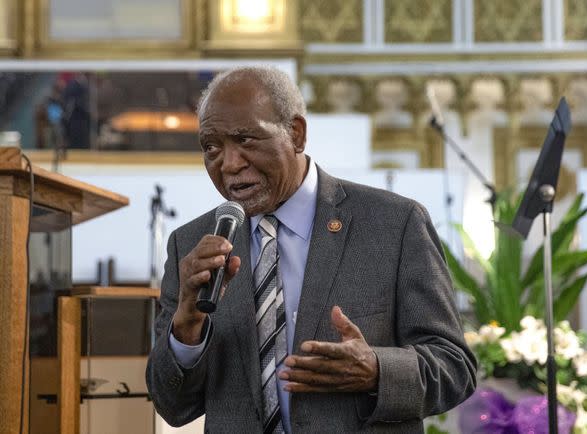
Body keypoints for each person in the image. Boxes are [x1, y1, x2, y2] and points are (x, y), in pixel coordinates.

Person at [146, 66, 476, 433]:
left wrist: (377, 369)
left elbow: (454, 368)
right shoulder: (191, 246)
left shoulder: (394, 225)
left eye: (246, 140)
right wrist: (187, 326)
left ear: (296, 133)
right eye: (212, 147)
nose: (229, 163)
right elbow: (172, 406)